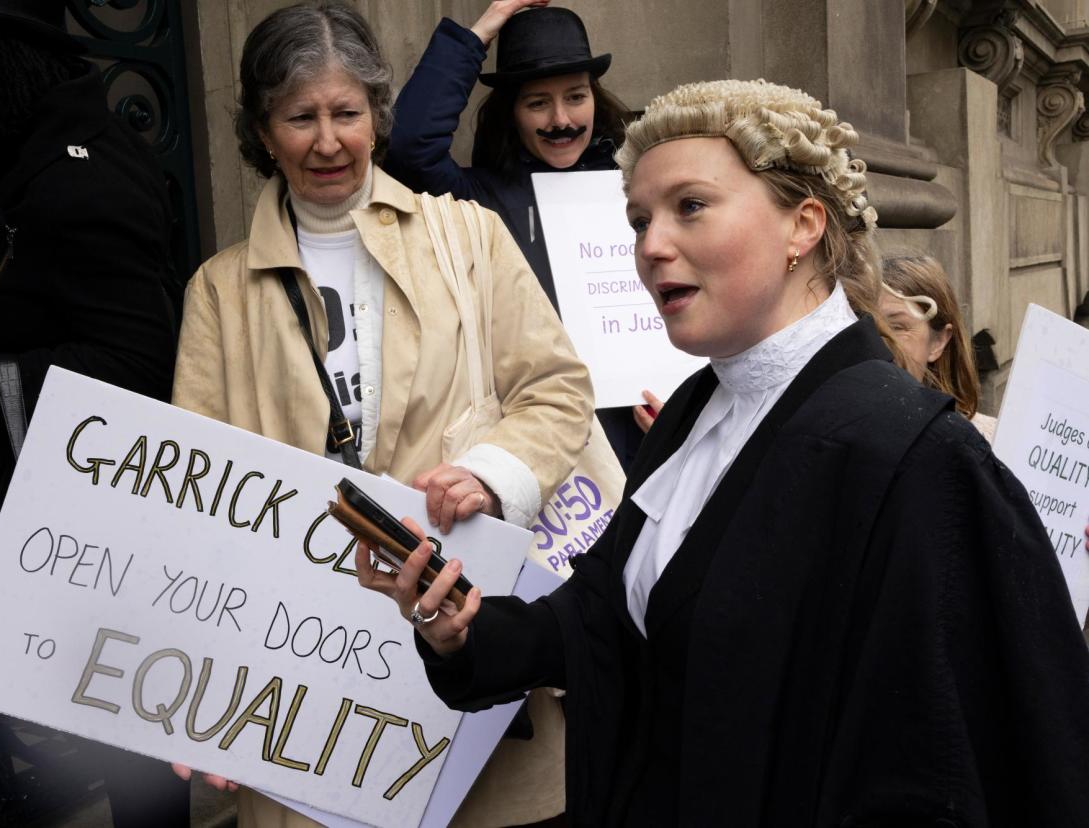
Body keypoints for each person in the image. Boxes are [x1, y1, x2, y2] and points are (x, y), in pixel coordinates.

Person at [358, 79, 1089, 825]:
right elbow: (604, 617)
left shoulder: (911, 455)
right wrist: (461, 628)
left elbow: (939, 763)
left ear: (801, 224)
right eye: (639, 218)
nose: (650, 246)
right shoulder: (692, 410)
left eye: (690, 207)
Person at [168, 2, 593, 825]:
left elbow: (555, 388)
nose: (327, 141)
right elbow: (198, 502)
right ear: (262, 129)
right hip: (304, 676)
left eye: (346, 113)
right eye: (300, 116)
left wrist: (491, 475)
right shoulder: (217, 291)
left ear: (377, 115)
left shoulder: (469, 236)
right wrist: (202, 696)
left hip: (463, 640)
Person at [0, 2, 186, 825]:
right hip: (25, 499)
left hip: (101, 525)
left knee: (129, 752)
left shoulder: (83, 175)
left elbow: (136, 370)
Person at [386, 1, 644, 465]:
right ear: (512, 113)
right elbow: (409, 147)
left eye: (575, 96)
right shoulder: (479, 199)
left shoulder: (639, 184)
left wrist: (681, 400)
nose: (561, 120)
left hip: (637, 426)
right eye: (537, 103)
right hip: (534, 437)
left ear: (595, 97)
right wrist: (481, 32)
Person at [879, 253, 997, 440]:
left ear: (938, 341)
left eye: (897, 327)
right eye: (866, 323)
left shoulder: (990, 444)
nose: (879, 341)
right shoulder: (831, 433)